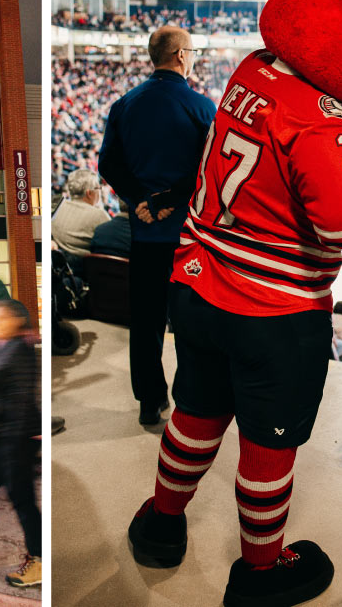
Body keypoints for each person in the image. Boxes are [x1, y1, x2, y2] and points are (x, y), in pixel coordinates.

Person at [126, 37, 342, 603]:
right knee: (267, 448)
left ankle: (161, 524)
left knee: (195, 412)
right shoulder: (328, 120)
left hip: (200, 279)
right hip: (275, 310)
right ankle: (261, 573)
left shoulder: (253, 68)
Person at [97, 25, 217, 426]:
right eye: (193, 51)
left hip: (144, 233)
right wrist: (167, 200)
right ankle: (191, 400)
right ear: (181, 55)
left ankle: (150, 401)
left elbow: (107, 165)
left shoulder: (124, 104)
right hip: (188, 236)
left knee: (145, 321)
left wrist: (141, 201)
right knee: (189, 322)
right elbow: (210, 168)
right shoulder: (201, 107)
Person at [0, 299, 42, 588]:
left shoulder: (17, 351)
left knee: (24, 501)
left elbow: (21, 402)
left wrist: (13, 445)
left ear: (15, 321)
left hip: (14, 440)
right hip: (1, 439)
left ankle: (38, 560)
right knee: (11, 496)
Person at [51, 169, 110, 271]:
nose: (100, 190)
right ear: (89, 193)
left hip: (59, 267)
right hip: (85, 272)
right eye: (98, 187)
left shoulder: (57, 204)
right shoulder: (99, 215)